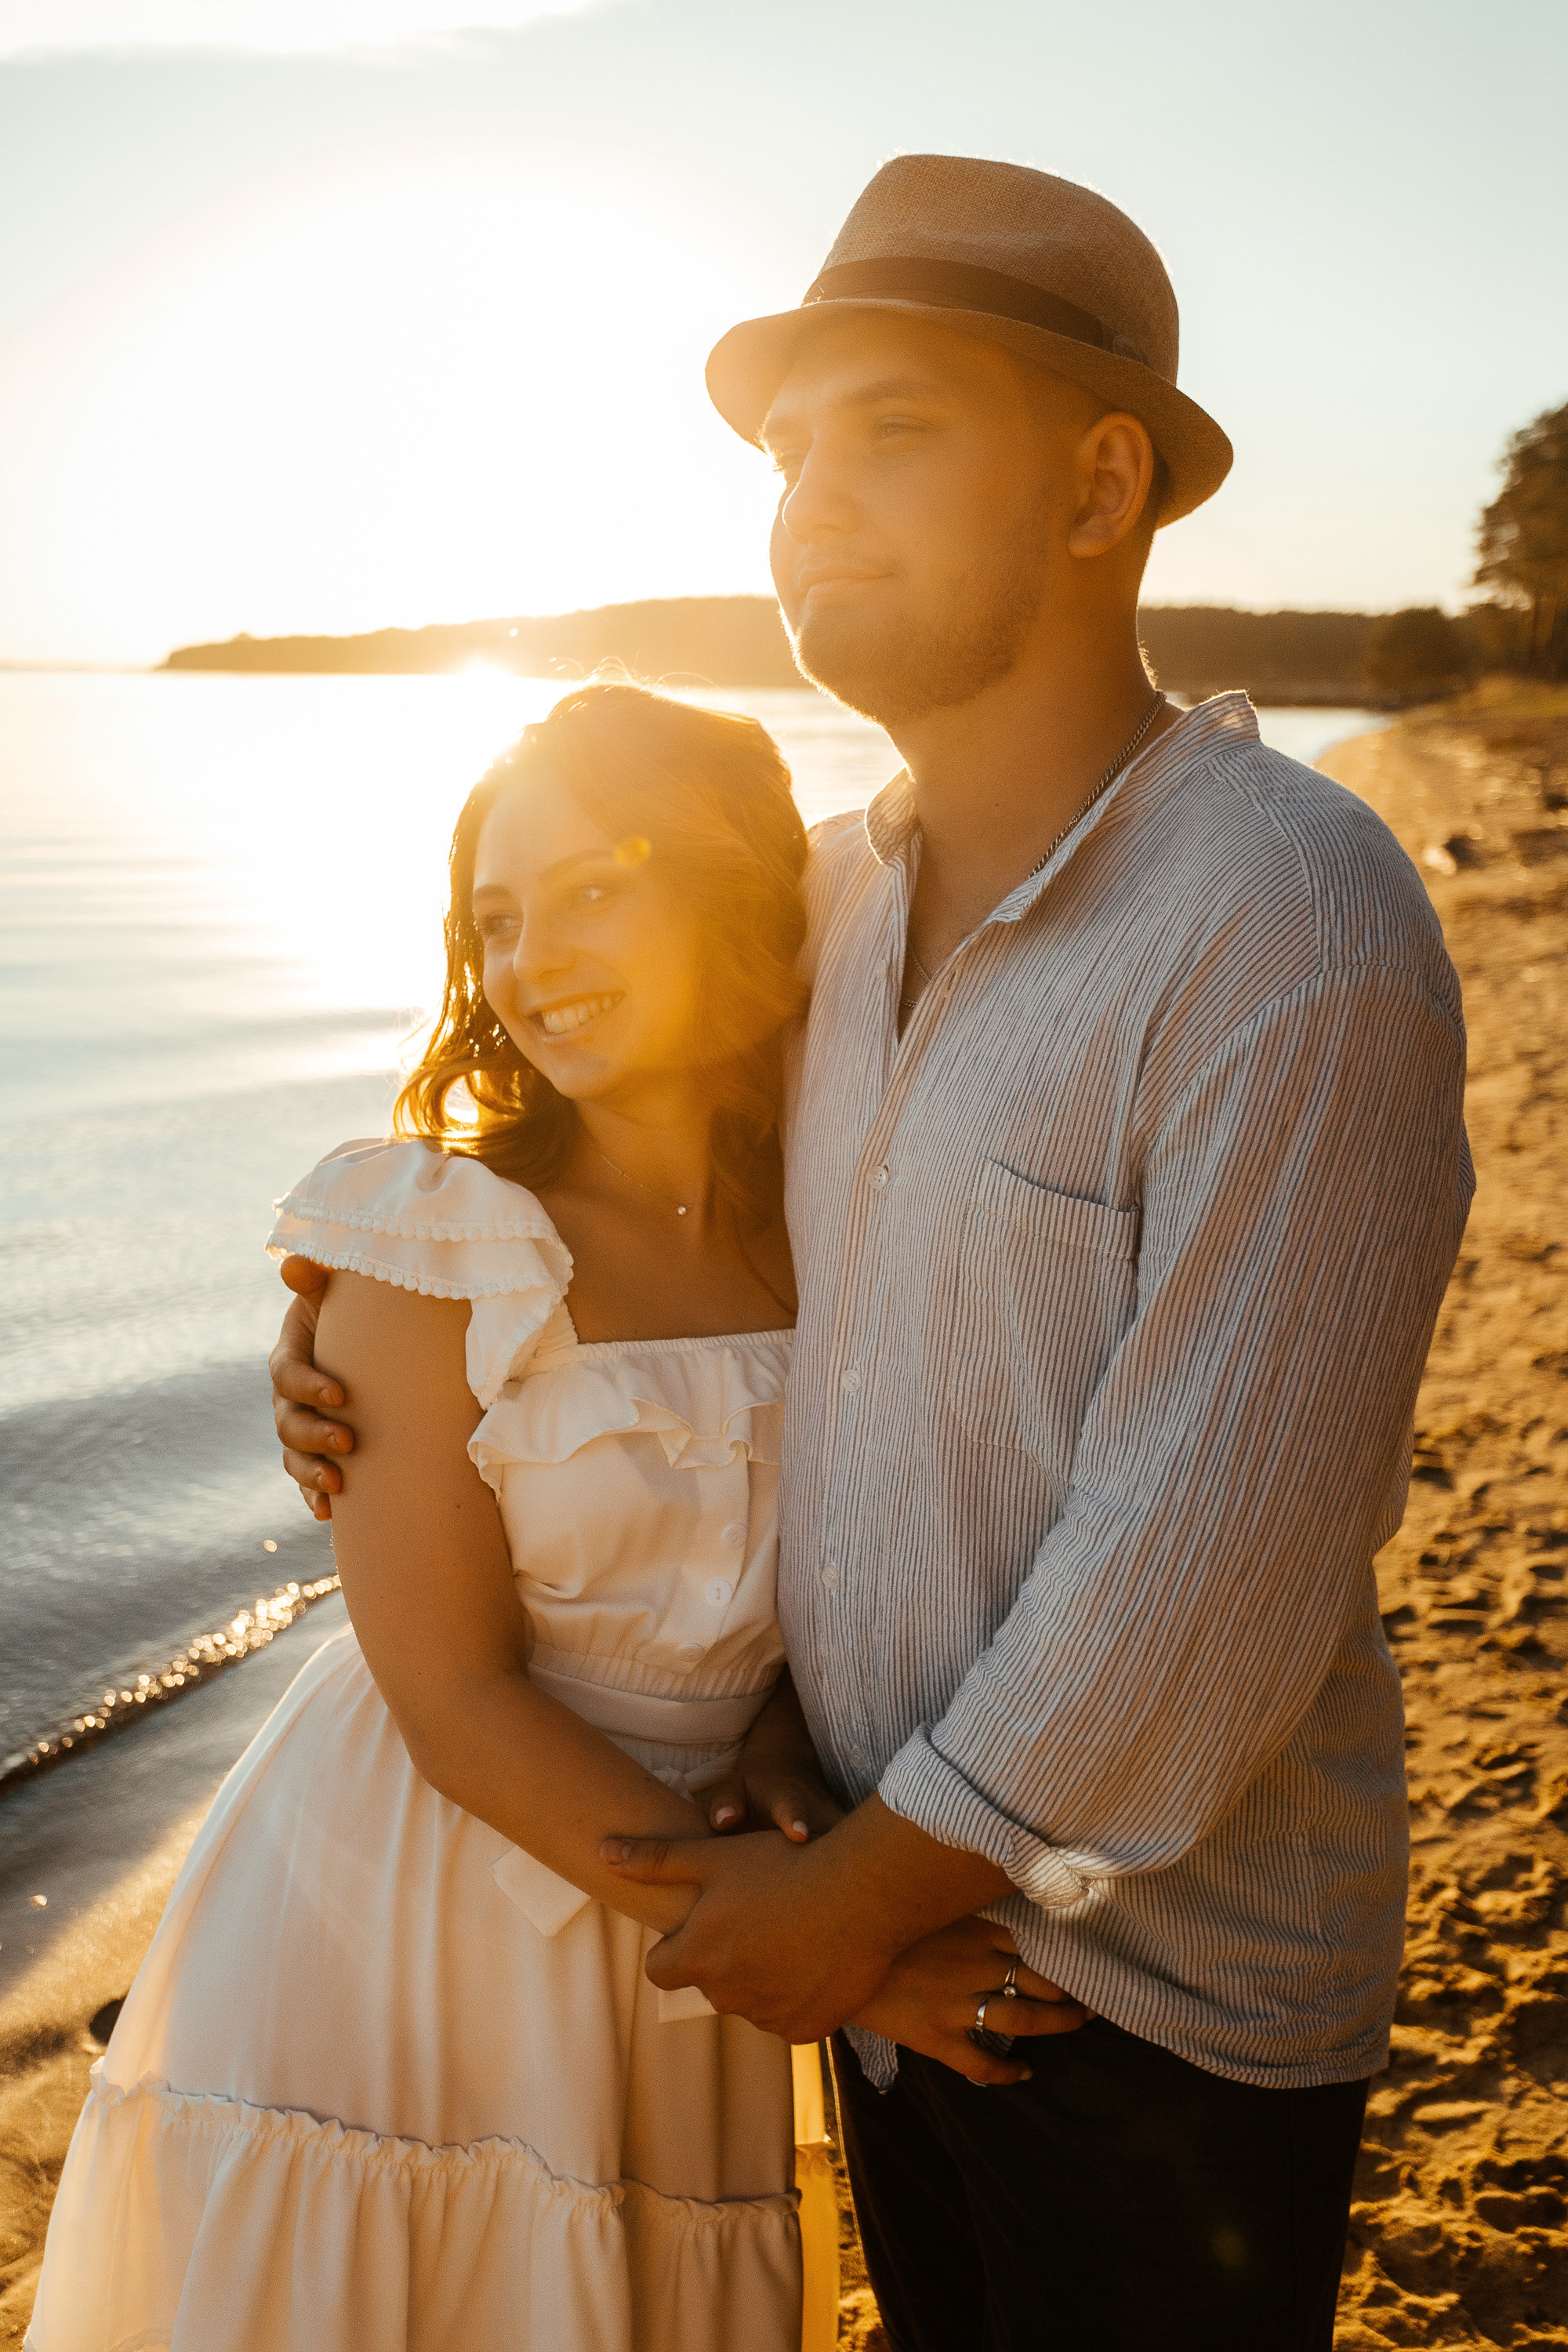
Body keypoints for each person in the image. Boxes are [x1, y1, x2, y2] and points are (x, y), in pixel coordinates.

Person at [273, 158, 1471, 2350]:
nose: (810, 502)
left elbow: (1213, 1549)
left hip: (1136, 2000)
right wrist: (373, 1323)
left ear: (1100, 483)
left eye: (892, 430)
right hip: (873, 1941)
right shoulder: (831, 905)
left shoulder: (1286, 919)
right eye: (787, 451)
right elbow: (619, 1168)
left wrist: (854, 1904)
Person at [33, 684, 1079, 2352]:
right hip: (419, 1906)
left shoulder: (841, 1215)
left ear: (732, 891)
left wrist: (781, 1733)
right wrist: (847, 1960)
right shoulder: (436, 1246)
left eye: (594, 888)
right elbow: (455, 1703)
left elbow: (840, 1549)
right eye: (497, 918)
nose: (531, 960)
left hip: (695, 1910)